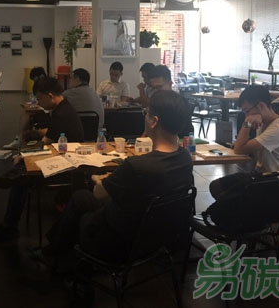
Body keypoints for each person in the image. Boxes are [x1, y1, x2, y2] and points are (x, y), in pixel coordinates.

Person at [44, 90, 193, 262]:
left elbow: (99, 193)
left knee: (81, 205)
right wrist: (118, 180)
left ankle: (59, 258)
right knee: (81, 198)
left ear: (154, 121)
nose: (145, 117)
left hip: (121, 241)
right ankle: (54, 249)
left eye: (146, 113)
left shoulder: (136, 165)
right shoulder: (185, 158)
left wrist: (98, 179)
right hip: (158, 237)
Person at [0, 77, 85, 243]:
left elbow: (45, 143)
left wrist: (24, 155)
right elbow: (49, 138)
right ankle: (9, 222)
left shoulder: (61, 114)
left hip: (67, 166)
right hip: (66, 157)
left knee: (22, 177)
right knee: (22, 171)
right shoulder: (64, 107)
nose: (38, 103)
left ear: (50, 96)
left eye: (39, 99)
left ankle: (9, 226)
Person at [209, 85, 279, 200]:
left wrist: (247, 122)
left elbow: (239, 149)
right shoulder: (263, 123)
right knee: (217, 186)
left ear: (261, 106)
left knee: (228, 197)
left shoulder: (277, 128)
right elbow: (242, 147)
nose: (247, 115)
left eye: (247, 111)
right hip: (265, 178)